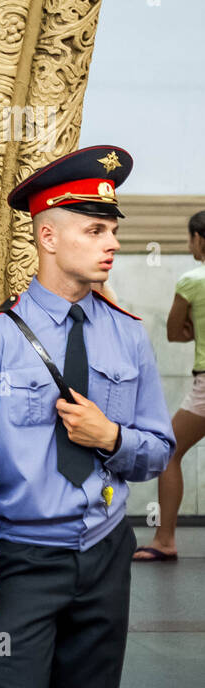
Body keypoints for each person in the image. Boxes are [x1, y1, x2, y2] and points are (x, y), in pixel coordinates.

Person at [0, 146, 175, 688]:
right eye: (95, 231)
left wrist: (112, 437)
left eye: (111, 231)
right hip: (20, 561)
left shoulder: (127, 334)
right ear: (48, 237)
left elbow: (159, 449)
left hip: (104, 552)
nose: (113, 243)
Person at [135, 209, 205, 561]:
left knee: (169, 451)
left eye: (191, 238)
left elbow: (174, 332)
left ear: (200, 239)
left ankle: (164, 540)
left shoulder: (193, 280)